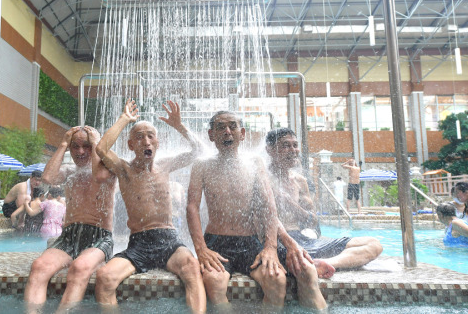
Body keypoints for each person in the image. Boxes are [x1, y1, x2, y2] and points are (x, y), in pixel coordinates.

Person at [186, 111, 327, 311]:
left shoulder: (254, 163)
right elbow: (191, 206)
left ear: (242, 133)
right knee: (214, 283)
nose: (227, 132)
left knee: (277, 281)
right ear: (211, 135)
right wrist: (201, 249)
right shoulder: (202, 165)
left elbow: (268, 206)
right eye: (220, 127)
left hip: (251, 241)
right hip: (217, 241)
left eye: (232, 126)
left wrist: (270, 246)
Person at [94, 99, 206, 314]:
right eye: (139, 137)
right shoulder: (124, 169)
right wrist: (125, 119)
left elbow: (198, 151)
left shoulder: (166, 165)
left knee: (192, 267)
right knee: (104, 277)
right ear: (131, 145)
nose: (145, 141)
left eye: (150, 136)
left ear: (157, 142)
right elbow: (101, 148)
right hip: (140, 242)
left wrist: (179, 126)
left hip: (169, 239)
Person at [24, 126, 116, 313]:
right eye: (75, 146)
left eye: (86, 146)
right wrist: (63, 143)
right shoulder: (69, 171)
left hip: (98, 237)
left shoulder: (107, 170)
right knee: (39, 266)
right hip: (69, 236)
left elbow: (98, 176)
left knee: (79, 267)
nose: (80, 151)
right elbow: (48, 177)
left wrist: (96, 142)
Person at [266, 128, 383, 272]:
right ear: (270, 150)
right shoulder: (262, 179)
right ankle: (312, 263)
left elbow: (313, 220)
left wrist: (291, 205)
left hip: (305, 240)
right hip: (278, 242)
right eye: (285, 145)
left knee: (374, 244)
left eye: (295, 145)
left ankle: (323, 263)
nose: (293, 150)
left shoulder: (299, 181)